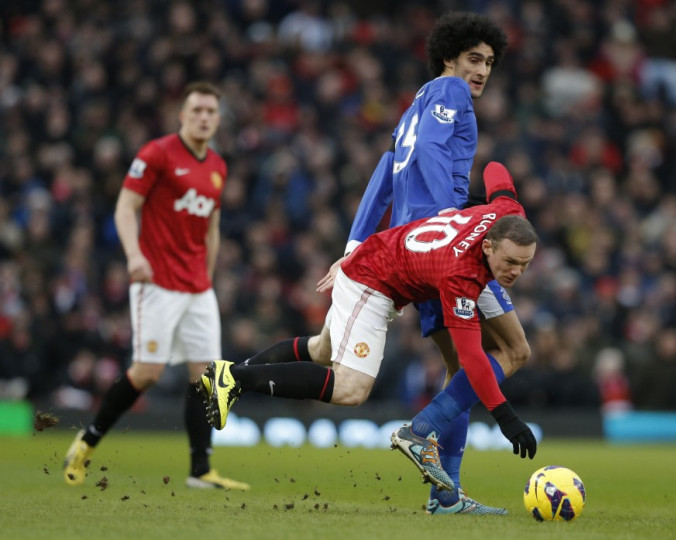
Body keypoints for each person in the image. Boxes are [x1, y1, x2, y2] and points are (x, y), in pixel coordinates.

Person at [241, 13, 528, 514]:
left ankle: (234, 376)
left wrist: (354, 244)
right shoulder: (452, 93)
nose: (481, 71)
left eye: (488, 62)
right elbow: (435, 154)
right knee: (509, 350)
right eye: (473, 59)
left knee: (364, 349)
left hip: (409, 243)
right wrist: (449, 219)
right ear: (449, 59)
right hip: (440, 248)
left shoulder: (414, 105)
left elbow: (384, 176)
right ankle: (440, 479)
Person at [199, 185, 538, 510]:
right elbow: (471, 357)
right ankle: (235, 377)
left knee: (320, 349)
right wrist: (505, 417)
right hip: (372, 282)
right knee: (351, 388)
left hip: (373, 261)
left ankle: (231, 378)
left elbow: (496, 171)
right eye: (510, 262)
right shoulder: (460, 277)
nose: (517, 272)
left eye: (525, 264)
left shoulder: (506, 213)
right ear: (489, 247)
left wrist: (480, 198)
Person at [63, 81, 250, 491]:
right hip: (157, 282)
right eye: (196, 110)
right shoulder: (157, 154)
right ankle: (87, 441)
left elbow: (212, 229)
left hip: (197, 286)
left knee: (205, 378)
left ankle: (200, 470)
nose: (203, 117)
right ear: (181, 115)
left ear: (218, 120)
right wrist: (134, 255)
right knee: (146, 372)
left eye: (210, 112)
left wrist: (210, 275)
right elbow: (125, 207)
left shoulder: (217, 167)